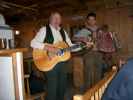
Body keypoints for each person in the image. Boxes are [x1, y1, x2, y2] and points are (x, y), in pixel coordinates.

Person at [31, 12, 76, 100]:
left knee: (62, 87)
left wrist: (83, 45)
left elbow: (71, 46)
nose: (56, 20)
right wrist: (50, 48)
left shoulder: (63, 31)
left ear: (61, 21)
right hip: (49, 62)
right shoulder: (44, 29)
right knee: (52, 88)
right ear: (50, 19)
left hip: (62, 62)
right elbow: (33, 43)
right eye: (54, 18)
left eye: (58, 18)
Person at [76, 12, 103, 90]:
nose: (91, 21)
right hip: (88, 53)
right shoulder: (84, 30)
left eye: (93, 19)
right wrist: (82, 38)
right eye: (89, 20)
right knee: (88, 72)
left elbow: (103, 40)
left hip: (99, 53)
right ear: (87, 21)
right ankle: (87, 91)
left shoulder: (100, 30)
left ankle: (97, 90)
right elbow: (74, 38)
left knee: (98, 72)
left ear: (95, 21)